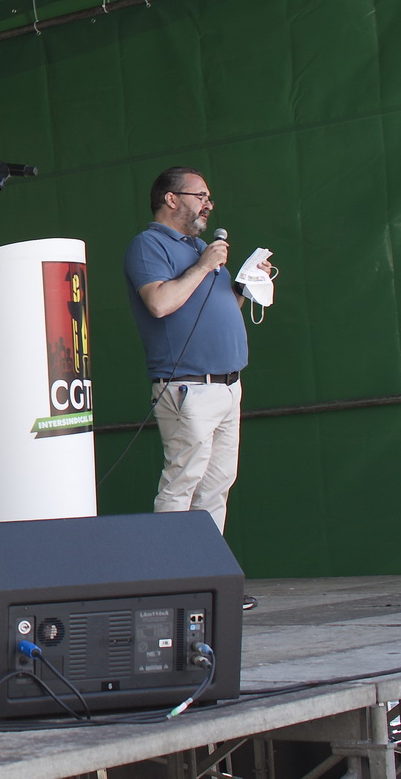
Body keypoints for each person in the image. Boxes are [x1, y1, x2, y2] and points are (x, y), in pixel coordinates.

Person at [122, 167, 275, 534]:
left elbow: (220, 307)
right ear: (171, 199)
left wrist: (245, 283)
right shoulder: (149, 244)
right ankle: (172, 568)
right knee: (182, 484)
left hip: (228, 385)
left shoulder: (199, 248)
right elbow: (159, 303)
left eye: (208, 198)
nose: (208, 204)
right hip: (189, 387)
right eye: (200, 196)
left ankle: (207, 567)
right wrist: (205, 265)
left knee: (216, 487)